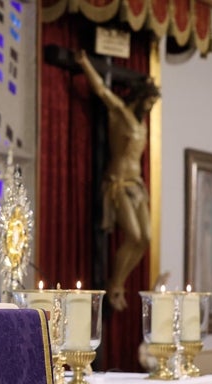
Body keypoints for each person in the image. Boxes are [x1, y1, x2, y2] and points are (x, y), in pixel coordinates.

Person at [75, 50, 161, 311]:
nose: (149, 108)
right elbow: (101, 90)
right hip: (118, 182)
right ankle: (115, 285)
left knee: (145, 238)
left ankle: (119, 283)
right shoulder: (120, 113)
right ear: (139, 98)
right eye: (148, 103)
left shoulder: (143, 125)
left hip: (137, 184)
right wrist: (84, 63)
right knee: (133, 234)